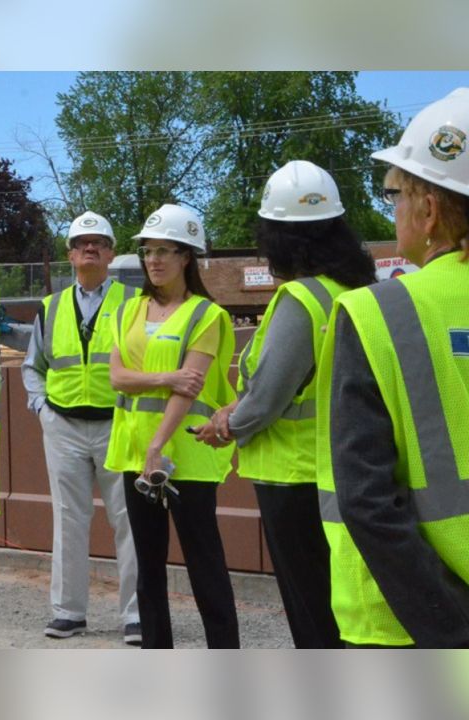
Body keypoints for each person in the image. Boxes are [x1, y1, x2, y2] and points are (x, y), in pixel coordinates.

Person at [196, 160, 375, 648]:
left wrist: (228, 422)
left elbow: (269, 394)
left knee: (311, 609)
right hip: (346, 471)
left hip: (293, 479)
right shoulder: (355, 290)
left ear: (276, 236)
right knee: (344, 608)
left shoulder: (300, 299)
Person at [318, 87, 469, 648]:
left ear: (429, 210)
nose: (395, 208)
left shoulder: (379, 312)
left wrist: (449, 631)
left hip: (403, 622)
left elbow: (368, 501)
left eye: (395, 194)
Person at [104, 203, 240, 649]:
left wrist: (157, 446)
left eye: (165, 251)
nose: (154, 260)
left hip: (184, 455)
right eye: (147, 251)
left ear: (187, 257)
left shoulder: (207, 315)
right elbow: (118, 378)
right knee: (147, 564)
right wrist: (164, 377)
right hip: (134, 450)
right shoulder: (129, 310)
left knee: (205, 562)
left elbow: (191, 388)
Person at [22, 211, 140, 645]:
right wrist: (42, 409)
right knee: (69, 520)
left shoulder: (133, 303)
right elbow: (32, 366)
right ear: (70, 254)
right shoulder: (50, 308)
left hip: (117, 424)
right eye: (82, 242)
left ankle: (136, 614)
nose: (90, 248)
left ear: (110, 253)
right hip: (65, 426)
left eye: (99, 242)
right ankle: (68, 612)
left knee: (129, 521)